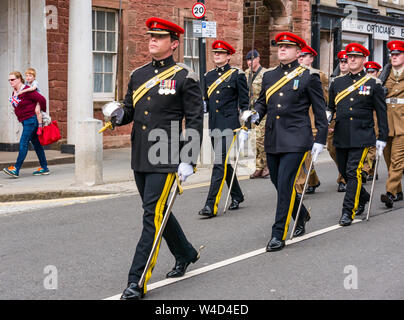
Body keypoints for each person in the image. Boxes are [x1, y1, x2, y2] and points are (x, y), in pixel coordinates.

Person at [111, 17, 204, 300]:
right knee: (159, 211)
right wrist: (118, 115)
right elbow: (130, 108)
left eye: (160, 37)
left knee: (151, 217)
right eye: (151, 35)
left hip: (167, 155)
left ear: (174, 43)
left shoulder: (186, 76)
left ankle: (136, 282)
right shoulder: (138, 75)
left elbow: (196, 120)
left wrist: (188, 158)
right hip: (141, 155)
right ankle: (185, 252)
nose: (152, 40)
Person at [244, 32, 328, 251]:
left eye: (287, 47)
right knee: (277, 183)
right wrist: (254, 115)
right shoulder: (270, 76)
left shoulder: (309, 77)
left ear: (298, 52)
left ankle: (278, 233)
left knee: (285, 184)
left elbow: (320, 111)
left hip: (297, 138)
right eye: (280, 47)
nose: (282, 50)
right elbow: (263, 103)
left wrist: (320, 139)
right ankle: (301, 214)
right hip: (273, 137)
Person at [328, 43, 388, 226]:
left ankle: (348, 211)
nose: (351, 59)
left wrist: (382, 137)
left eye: (356, 57)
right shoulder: (337, 83)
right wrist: (325, 123)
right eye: (349, 57)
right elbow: (330, 108)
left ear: (363, 59)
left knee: (353, 172)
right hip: (341, 133)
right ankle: (362, 196)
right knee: (344, 172)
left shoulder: (373, 84)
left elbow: (381, 112)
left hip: (362, 135)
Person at [198, 40, 249, 218]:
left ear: (228, 56)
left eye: (220, 53)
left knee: (219, 163)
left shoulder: (237, 75)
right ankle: (237, 195)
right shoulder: (208, 76)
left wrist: (245, 126)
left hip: (230, 126)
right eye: (215, 53)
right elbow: (204, 102)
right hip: (214, 124)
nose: (216, 55)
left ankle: (210, 205)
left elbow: (245, 103)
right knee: (224, 163)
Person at [295, 45, 328, 195]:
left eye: (304, 56)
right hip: (297, 121)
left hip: (312, 121)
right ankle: (313, 180)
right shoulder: (293, 74)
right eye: (299, 56)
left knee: (306, 155)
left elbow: (324, 101)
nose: (301, 59)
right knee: (306, 155)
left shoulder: (318, 75)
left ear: (311, 58)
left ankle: (299, 187)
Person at [3, 71, 49, 178]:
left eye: (13, 79)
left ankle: (16, 169)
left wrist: (39, 109)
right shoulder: (14, 92)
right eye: (9, 80)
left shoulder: (27, 90)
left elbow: (42, 99)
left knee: (23, 142)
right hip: (25, 121)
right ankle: (44, 167)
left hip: (31, 120)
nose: (10, 82)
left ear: (19, 79)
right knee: (37, 144)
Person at [380, 40, 404, 208]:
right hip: (386, 122)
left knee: (397, 160)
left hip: (403, 123)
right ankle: (399, 191)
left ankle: (390, 192)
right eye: (392, 55)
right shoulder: (384, 74)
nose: (394, 57)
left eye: (398, 54)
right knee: (388, 160)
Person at [244, 49, 269, 179]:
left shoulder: (265, 74)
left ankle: (266, 166)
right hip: (250, 111)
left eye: (252, 59)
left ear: (258, 59)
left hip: (263, 111)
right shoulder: (246, 74)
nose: (249, 62)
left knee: (260, 138)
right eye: (248, 60)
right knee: (253, 140)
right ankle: (258, 166)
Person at [328, 50, 349, 192]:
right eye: (341, 62)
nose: (342, 64)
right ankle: (345, 171)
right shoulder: (334, 80)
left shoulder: (357, 80)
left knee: (344, 150)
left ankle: (343, 179)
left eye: (345, 62)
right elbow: (330, 104)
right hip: (335, 119)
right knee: (331, 148)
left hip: (348, 120)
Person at [362, 61, 383, 183]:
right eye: (368, 72)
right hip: (368, 116)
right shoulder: (364, 83)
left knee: (373, 145)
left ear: (377, 73)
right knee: (369, 144)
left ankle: (366, 169)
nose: (370, 74)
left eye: (372, 72)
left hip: (378, 116)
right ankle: (370, 170)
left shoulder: (381, 84)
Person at [16, 68, 44, 135]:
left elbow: (33, 88)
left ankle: (40, 126)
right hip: (31, 100)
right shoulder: (26, 83)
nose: (28, 77)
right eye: (27, 76)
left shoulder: (35, 82)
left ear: (34, 77)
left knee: (37, 111)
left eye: (30, 76)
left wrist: (23, 91)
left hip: (37, 99)